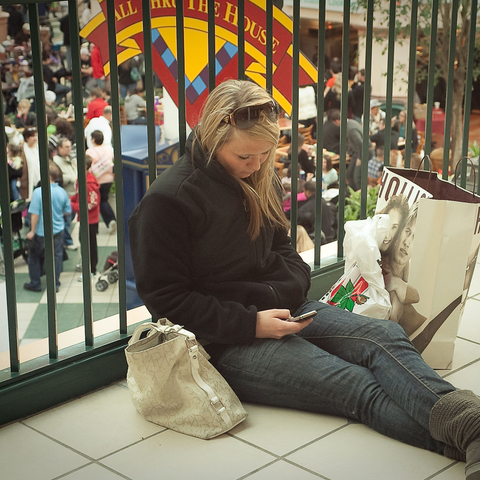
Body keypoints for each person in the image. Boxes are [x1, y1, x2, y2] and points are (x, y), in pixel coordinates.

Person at [128, 79, 480, 480]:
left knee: (385, 338)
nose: (258, 165)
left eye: (266, 154)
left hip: (287, 309)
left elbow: (287, 253)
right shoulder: (167, 202)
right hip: (223, 340)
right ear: (212, 136)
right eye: (245, 155)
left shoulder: (258, 178)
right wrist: (251, 323)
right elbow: (166, 299)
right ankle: (469, 436)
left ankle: (472, 429)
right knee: (353, 385)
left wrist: (286, 293)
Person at [24, 161, 72, 293]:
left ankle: (35, 283)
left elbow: (35, 215)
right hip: (58, 230)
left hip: (41, 232)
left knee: (33, 257)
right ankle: (55, 284)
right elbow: (67, 211)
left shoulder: (39, 192)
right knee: (56, 257)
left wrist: (32, 231)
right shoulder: (62, 192)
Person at [69, 155, 100, 278]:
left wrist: (73, 205)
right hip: (86, 218)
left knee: (89, 245)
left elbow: (92, 202)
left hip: (89, 219)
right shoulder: (82, 180)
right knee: (85, 242)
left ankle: (91, 269)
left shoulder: (88, 183)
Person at [85, 130, 117, 231]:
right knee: (103, 199)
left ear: (93, 140)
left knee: (99, 201)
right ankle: (110, 221)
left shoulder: (90, 151)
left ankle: (109, 221)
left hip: (96, 180)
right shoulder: (108, 149)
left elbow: (88, 165)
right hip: (109, 178)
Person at [53, 137, 78, 250]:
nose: (69, 149)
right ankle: (66, 242)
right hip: (66, 195)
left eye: (70, 146)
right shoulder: (56, 162)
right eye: (66, 147)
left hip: (73, 195)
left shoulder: (71, 159)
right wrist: (71, 178)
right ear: (59, 148)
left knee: (69, 219)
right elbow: (58, 178)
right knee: (66, 221)